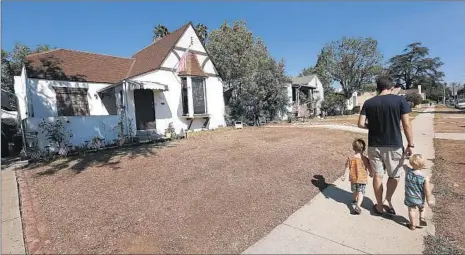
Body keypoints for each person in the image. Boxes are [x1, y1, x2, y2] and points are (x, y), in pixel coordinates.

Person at [358, 75, 414, 215]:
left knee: (378, 175)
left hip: (374, 145)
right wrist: (410, 144)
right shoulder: (400, 100)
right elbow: (406, 124)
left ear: (378, 88)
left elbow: (360, 123)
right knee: (394, 175)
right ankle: (387, 200)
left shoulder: (369, 102)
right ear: (391, 87)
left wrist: (372, 127)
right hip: (394, 144)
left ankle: (378, 205)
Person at [341, 139, 373, 214]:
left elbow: (347, 167)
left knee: (355, 191)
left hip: (353, 178)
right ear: (363, 149)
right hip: (362, 179)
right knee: (361, 192)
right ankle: (358, 205)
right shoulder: (365, 159)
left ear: (353, 148)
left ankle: (355, 200)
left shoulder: (350, 158)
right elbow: (368, 166)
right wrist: (371, 173)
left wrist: (344, 176)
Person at [403, 154, 434, 230]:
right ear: (423, 165)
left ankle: (412, 225)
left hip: (410, 197)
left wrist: (407, 158)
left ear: (411, 163)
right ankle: (422, 218)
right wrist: (428, 200)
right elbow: (427, 190)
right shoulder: (424, 178)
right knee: (422, 208)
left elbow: (404, 165)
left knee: (411, 210)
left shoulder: (408, 171)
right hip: (420, 198)